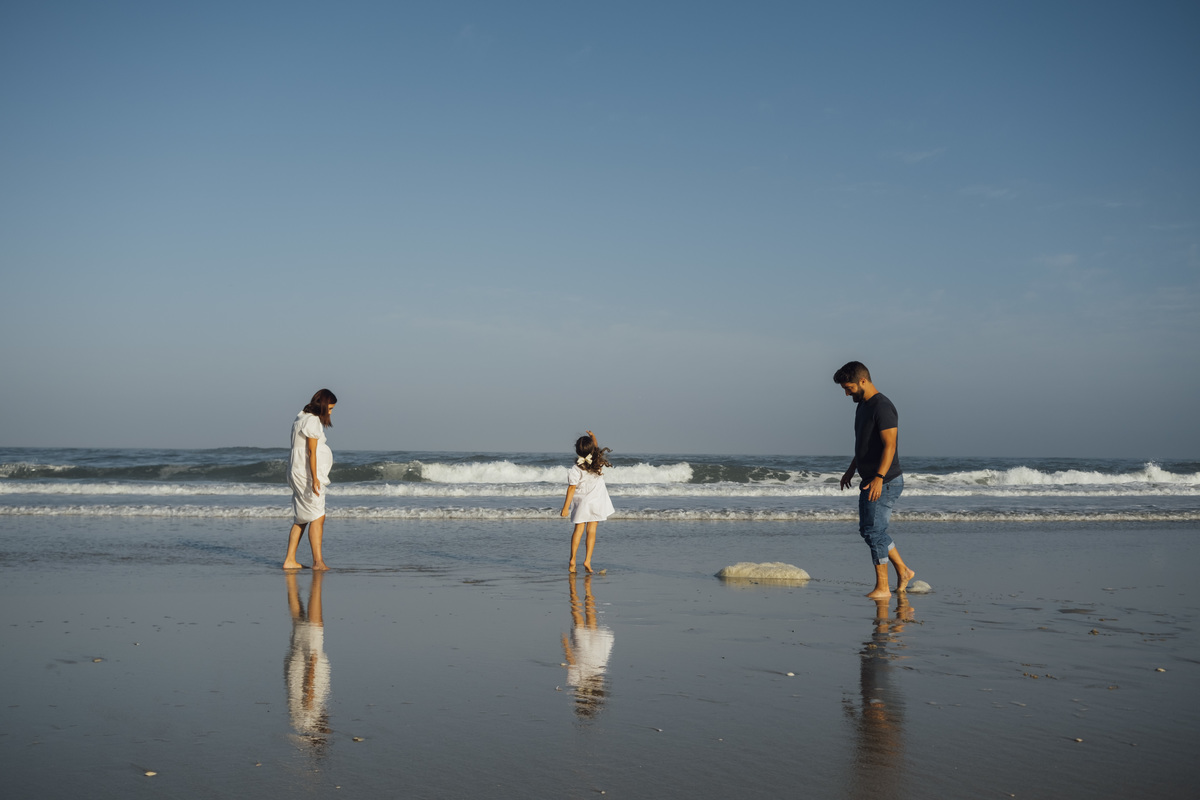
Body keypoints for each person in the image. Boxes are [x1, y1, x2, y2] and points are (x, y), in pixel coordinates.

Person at [833, 362, 915, 598]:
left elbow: (890, 446)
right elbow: (865, 445)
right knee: (870, 530)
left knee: (873, 531)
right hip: (871, 478)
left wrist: (879, 477)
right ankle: (904, 570)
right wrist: (851, 469)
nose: (847, 393)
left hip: (886, 480)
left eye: (849, 388)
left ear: (863, 381)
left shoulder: (883, 406)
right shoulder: (862, 407)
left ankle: (882, 587)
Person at [283, 389, 337, 570]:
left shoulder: (301, 417)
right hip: (306, 474)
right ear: (322, 404)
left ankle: (290, 559)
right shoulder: (313, 421)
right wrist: (315, 478)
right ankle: (318, 562)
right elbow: (311, 451)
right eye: (329, 408)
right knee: (318, 516)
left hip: (297, 471)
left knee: (302, 517)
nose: (330, 412)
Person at [560, 430, 615, 573]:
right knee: (592, 531)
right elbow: (595, 448)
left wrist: (565, 508)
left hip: (582, 503)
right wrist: (593, 437)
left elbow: (571, 488)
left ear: (577, 450)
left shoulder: (575, 469)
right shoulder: (597, 462)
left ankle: (572, 560)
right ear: (592, 450)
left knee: (578, 530)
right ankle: (587, 561)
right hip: (596, 502)